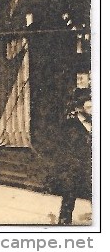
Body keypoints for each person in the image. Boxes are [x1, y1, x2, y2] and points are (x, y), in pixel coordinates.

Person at [56, 92, 92, 225]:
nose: (92, 110)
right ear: (80, 109)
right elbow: (65, 146)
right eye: (88, 107)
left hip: (90, 167)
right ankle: (64, 223)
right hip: (74, 167)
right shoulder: (72, 125)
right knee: (69, 195)